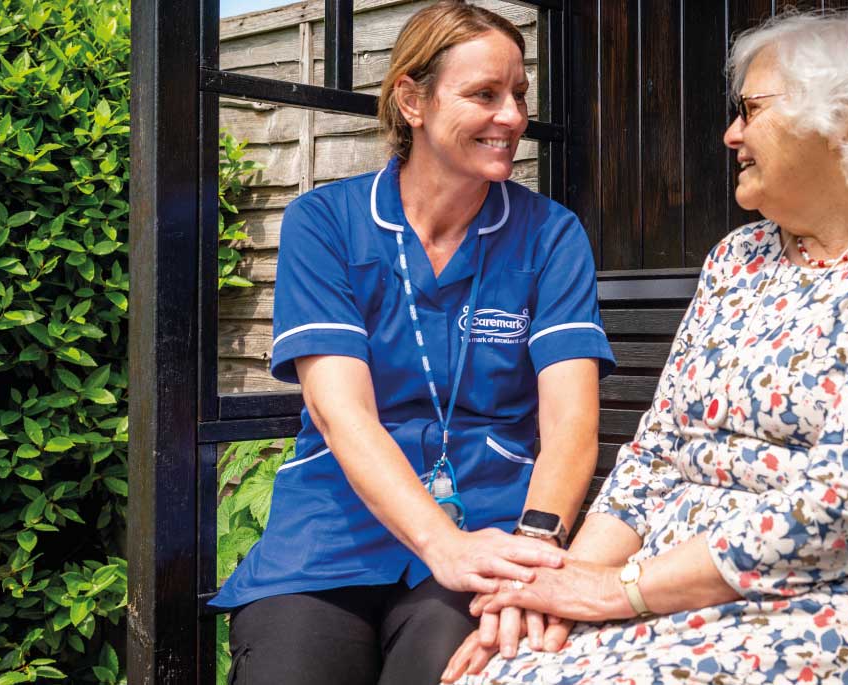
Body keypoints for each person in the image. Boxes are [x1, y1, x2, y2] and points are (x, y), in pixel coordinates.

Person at [442, 8, 848, 684]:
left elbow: (845, 507)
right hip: (672, 593)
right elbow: (657, 456)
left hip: (846, 605)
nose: (730, 133)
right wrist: (559, 590)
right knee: (500, 669)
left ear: (845, 120)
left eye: (750, 109)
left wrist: (613, 591)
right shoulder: (739, 259)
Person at [209, 3, 615, 683]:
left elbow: (572, 422)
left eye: (518, 94)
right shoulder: (326, 222)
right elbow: (343, 413)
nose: (512, 117)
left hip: (492, 532)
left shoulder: (552, 235)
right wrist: (439, 541)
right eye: (484, 94)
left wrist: (536, 551)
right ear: (412, 100)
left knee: (448, 663)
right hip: (333, 533)